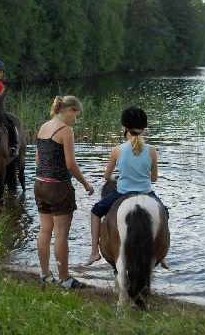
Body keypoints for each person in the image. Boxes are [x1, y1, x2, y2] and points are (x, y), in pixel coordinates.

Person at [84, 106, 164, 266]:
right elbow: (154, 178)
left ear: (124, 127)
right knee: (164, 214)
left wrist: (116, 180)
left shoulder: (117, 150)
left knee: (95, 212)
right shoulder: (152, 150)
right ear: (143, 129)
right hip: (147, 193)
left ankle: (94, 253)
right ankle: (161, 255)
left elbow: (106, 176)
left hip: (122, 193)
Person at [35, 95, 94, 289]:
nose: (75, 120)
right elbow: (70, 165)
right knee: (61, 235)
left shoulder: (43, 127)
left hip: (40, 185)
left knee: (44, 230)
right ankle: (64, 279)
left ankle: (44, 275)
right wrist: (86, 184)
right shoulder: (65, 131)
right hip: (58, 187)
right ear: (68, 110)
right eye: (75, 115)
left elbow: (38, 160)